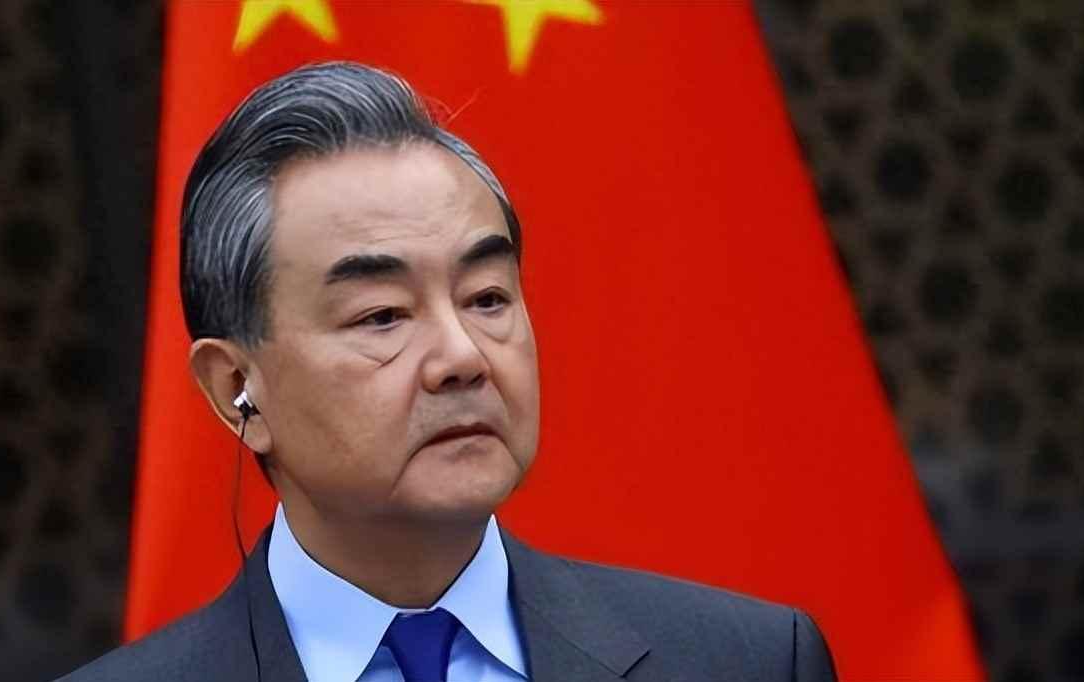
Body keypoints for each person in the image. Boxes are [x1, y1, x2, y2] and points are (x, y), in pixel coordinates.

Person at [60, 61, 835, 682]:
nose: (463, 357)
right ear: (236, 386)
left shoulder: (746, 660)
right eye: (382, 316)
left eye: (487, 298)